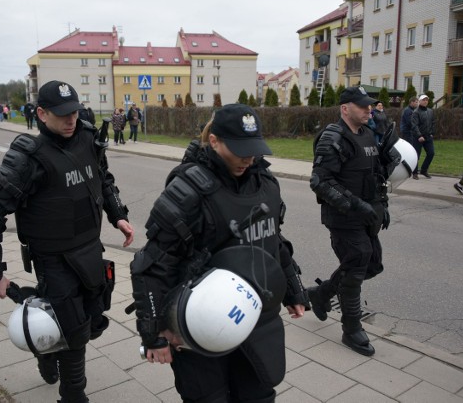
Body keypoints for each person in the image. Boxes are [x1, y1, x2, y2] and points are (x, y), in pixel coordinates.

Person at [130, 103, 308, 402]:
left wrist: (293, 289)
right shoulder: (188, 190)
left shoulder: (264, 183)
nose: (248, 158)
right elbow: (153, 265)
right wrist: (153, 334)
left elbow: (272, 241)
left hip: (257, 319)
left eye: (253, 149)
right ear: (214, 141)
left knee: (259, 397)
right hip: (202, 321)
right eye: (239, 150)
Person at [0, 80, 134, 403]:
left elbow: (102, 179)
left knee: (95, 322)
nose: (70, 120)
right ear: (42, 114)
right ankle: (73, 395)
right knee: (74, 333)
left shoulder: (87, 137)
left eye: (73, 112)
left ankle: (46, 349)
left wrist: (117, 215)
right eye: (62, 114)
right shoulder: (29, 157)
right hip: (53, 258)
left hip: (90, 250)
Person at [308, 86, 393, 357]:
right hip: (344, 218)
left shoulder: (367, 134)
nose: (369, 110)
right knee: (357, 265)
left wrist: (383, 206)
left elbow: (376, 175)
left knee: (372, 264)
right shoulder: (333, 138)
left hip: (368, 215)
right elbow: (320, 182)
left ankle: (321, 294)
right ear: (345, 109)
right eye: (362, 106)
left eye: (370, 106)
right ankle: (351, 329)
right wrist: (356, 205)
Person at [411, 94, 435, 179]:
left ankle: (424, 170)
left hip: (428, 136)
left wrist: (432, 133)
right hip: (418, 137)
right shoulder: (416, 112)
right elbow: (414, 125)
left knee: (431, 153)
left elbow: (432, 123)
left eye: (426, 100)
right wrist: (419, 135)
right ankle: (414, 173)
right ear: (420, 101)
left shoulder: (430, 111)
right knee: (416, 155)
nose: (425, 101)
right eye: (423, 100)